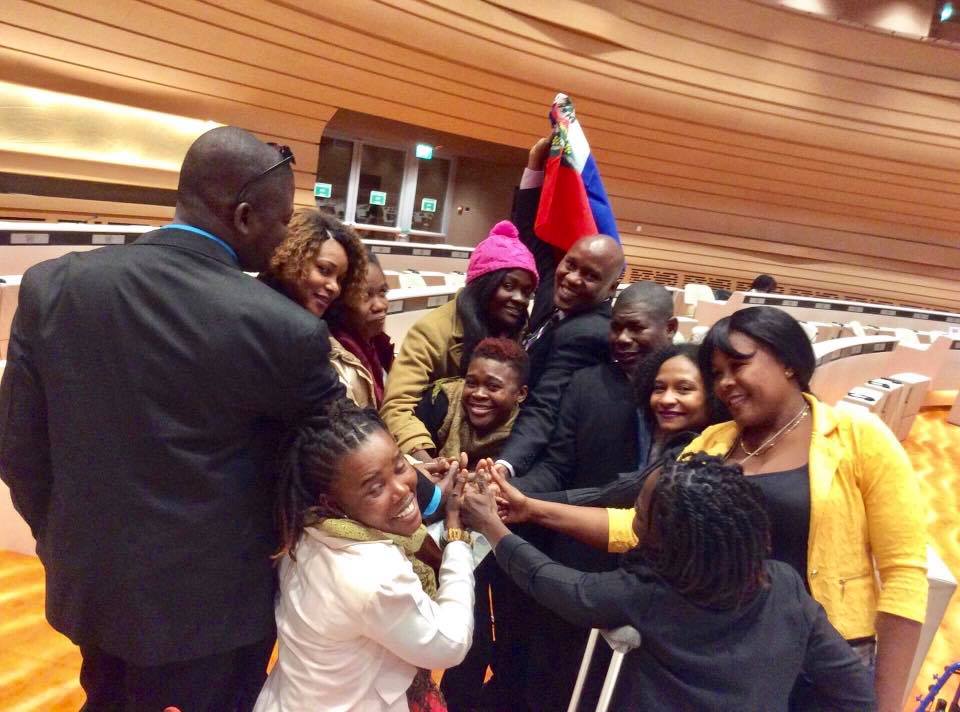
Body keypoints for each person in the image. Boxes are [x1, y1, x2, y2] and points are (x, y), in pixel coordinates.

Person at [0, 129, 345, 711]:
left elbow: (16, 448)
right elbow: (337, 454)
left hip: (96, 591)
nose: (288, 235)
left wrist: (59, 539)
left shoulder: (54, 285)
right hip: (219, 618)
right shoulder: (285, 329)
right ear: (242, 215)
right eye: (283, 219)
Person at [607, 306, 928, 712]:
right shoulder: (714, 441)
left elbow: (904, 575)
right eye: (717, 373)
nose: (724, 384)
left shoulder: (857, 435)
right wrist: (534, 510)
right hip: (728, 656)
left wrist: (887, 705)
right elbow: (642, 526)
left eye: (738, 366)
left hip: (825, 666)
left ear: (790, 362)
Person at [459, 454, 877, 711]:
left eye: (639, 516)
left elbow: (559, 585)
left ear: (672, 541)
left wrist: (494, 530)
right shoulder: (784, 584)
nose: (633, 521)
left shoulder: (652, 596)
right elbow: (854, 692)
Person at [254, 401, 482, 711]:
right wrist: (456, 540)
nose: (402, 489)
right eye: (375, 487)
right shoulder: (375, 577)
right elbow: (449, 644)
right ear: (332, 501)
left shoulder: (306, 527)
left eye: (400, 465)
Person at [496, 139, 625, 479]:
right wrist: (535, 167)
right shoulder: (558, 289)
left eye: (590, 276)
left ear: (611, 289)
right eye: (571, 264)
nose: (572, 278)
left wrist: (505, 465)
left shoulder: (590, 333)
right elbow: (529, 237)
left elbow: (544, 406)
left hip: (538, 457)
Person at [381, 220, 538, 462]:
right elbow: (397, 406)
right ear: (484, 285)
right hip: (437, 446)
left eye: (526, 292)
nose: (519, 298)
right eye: (508, 286)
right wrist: (430, 464)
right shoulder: (432, 331)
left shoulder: (519, 329)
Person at [509, 280, 678, 494]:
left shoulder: (696, 387)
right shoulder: (585, 386)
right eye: (616, 328)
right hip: (589, 520)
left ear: (670, 328)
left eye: (636, 328)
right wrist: (509, 490)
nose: (623, 339)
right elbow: (557, 469)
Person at [414, 337, 529, 468]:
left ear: (520, 394)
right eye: (471, 383)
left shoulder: (525, 432)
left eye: (493, 386)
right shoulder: (442, 401)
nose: (478, 394)